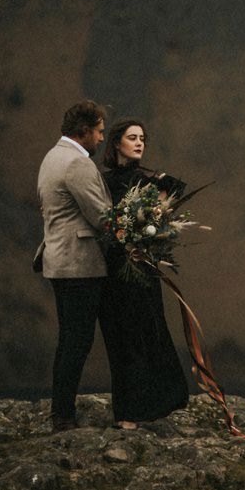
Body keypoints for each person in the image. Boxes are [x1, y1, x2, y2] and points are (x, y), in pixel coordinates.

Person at [98, 118, 189, 429]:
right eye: (132, 137)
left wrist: (152, 231)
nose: (139, 143)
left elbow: (176, 191)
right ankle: (128, 411)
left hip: (142, 268)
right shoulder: (103, 181)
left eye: (142, 139)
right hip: (114, 271)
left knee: (149, 330)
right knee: (122, 337)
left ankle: (155, 404)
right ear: (116, 143)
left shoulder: (149, 179)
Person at [35, 100, 113, 432]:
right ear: (83, 132)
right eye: (98, 131)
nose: (101, 138)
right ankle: (63, 416)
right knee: (77, 341)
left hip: (58, 260)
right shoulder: (77, 165)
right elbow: (101, 215)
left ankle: (61, 411)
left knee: (69, 339)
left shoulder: (52, 157)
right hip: (79, 264)